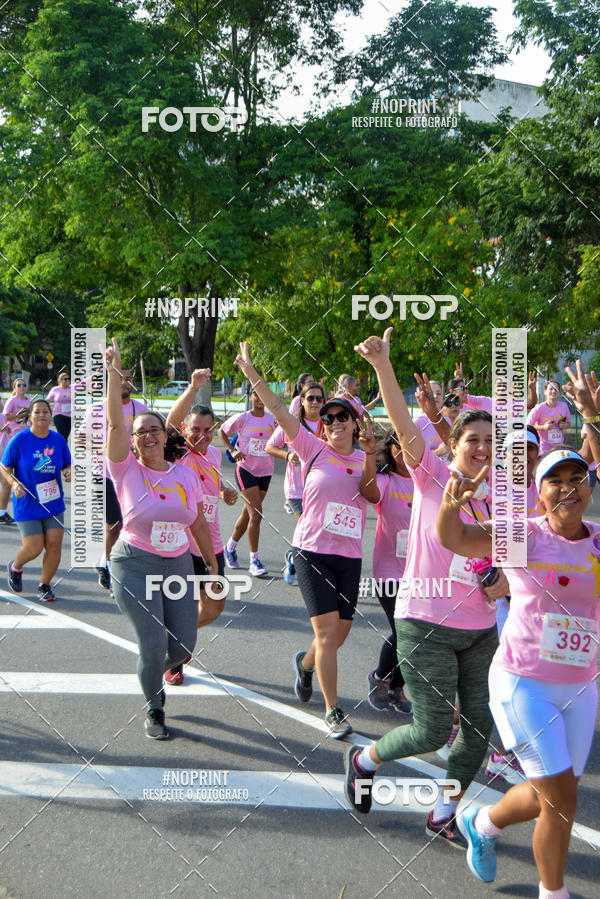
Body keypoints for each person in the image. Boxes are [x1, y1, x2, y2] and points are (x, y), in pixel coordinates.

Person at [438, 359, 600, 899]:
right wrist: (451, 502)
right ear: (539, 491)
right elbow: (456, 539)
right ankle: (553, 893)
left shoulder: (599, 540)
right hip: (523, 683)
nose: (568, 489)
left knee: (553, 791)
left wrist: (592, 418)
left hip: (580, 686)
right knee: (561, 800)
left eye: (577, 479)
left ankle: (481, 821)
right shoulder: (522, 535)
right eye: (555, 481)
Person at [342, 328, 504, 848]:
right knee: (432, 730)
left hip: (479, 630)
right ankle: (364, 760)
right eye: (472, 440)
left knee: (477, 731)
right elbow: (405, 424)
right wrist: (383, 366)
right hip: (424, 622)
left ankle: (443, 812)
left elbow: (509, 563)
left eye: (489, 441)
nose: (482, 448)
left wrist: (503, 580)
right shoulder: (432, 474)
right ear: (453, 445)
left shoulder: (499, 499)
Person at [234, 340, 378, 737]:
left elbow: (371, 494)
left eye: (342, 417)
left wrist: (370, 455)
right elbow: (278, 408)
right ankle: (333, 711)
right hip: (312, 551)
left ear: (355, 423)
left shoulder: (367, 456)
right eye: (328, 418)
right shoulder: (312, 447)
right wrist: (250, 371)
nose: (334, 422)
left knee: (338, 635)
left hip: (349, 556)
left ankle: (304, 664)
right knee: (327, 634)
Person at [104, 339, 217, 739]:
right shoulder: (126, 470)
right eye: (141, 433)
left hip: (178, 564)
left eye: (155, 429)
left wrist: (211, 565)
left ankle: (153, 671)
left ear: (164, 436)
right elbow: (116, 424)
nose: (149, 436)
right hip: (134, 565)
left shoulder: (184, 473)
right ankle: (154, 705)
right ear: (133, 441)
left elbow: (198, 523)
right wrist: (114, 376)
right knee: (152, 644)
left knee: (182, 646)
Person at [164, 369, 238, 685]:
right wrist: (194, 388)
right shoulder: (178, 453)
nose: (202, 436)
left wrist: (224, 492)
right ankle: (175, 659)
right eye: (195, 429)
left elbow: (210, 487)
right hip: (181, 545)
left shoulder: (216, 455)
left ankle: (176, 636)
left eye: (208, 430)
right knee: (184, 605)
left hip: (212, 544)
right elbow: (168, 424)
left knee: (215, 605)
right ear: (185, 429)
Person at [77, 365, 150, 592]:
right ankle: (109, 566)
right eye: (120, 378)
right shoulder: (98, 409)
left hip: (133, 474)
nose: (125, 382)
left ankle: (108, 560)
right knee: (115, 524)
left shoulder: (141, 409)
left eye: (128, 378)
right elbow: (81, 439)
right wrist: (106, 448)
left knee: (132, 522)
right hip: (105, 474)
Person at [1, 399, 71, 601]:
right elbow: (4, 466)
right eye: (37, 412)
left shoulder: (58, 440)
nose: (41, 415)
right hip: (28, 502)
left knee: (54, 544)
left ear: (51, 415)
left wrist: (68, 471)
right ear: (30, 416)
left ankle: (45, 585)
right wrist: (14, 484)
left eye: (45, 412)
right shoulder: (20, 440)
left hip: (52, 502)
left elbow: (67, 464)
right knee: (34, 547)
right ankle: (16, 567)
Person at [367, 430, 413, 714]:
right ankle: (379, 678)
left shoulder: (425, 481)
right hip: (389, 571)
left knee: (419, 635)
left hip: (421, 572)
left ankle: (397, 687)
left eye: (411, 446)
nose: (406, 453)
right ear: (392, 450)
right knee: (402, 631)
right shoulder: (385, 481)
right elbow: (370, 491)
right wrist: (368, 454)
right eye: (400, 447)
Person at [266, 381, 324, 584]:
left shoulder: (328, 425)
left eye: (319, 398)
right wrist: (287, 456)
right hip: (296, 490)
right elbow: (270, 447)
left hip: (321, 490)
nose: (315, 402)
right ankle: (297, 562)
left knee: (317, 531)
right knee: (308, 527)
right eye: (310, 398)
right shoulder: (292, 424)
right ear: (302, 401)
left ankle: (294, 558)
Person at [219, 387, 276, 577]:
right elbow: (221, 431)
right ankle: (254, 561)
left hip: (266, 471)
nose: (260, 398)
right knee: (256, 514)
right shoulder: (243, 418)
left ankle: (229, 548)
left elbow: (281, 440)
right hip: (245, 469)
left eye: (262, 394)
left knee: (248, 513)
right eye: (255, 394)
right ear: (250, 397)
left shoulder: (272, 419)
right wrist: (232, 450)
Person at [528, 380, 571, 454]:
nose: (553, 391)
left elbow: (569, 424)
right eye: (551, 389)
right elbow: (528, 426)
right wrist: (543, 427)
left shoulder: (564, 406)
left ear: (559, 392)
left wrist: (564, 425)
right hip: (543, 450)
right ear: (545, 391)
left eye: (556, 389)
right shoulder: (539, 408)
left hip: (559, 448)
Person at [47, 372, 72, 440]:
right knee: (62, 434)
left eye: (69, 379)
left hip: (70, 415)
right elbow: (47, 400)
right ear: (60, 380)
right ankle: (59, 446)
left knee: (65, 436)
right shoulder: (55, 389)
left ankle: (60, 446)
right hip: (58, 414)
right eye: (65, 379)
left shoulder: (72, 388)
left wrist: (95, 374)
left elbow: (83, 383)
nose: (67, 380)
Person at [0, 409, 14, 525]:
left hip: (3, 455)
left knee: (6, 484)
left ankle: (1, 513)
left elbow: (7, 432)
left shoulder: (2, 416)